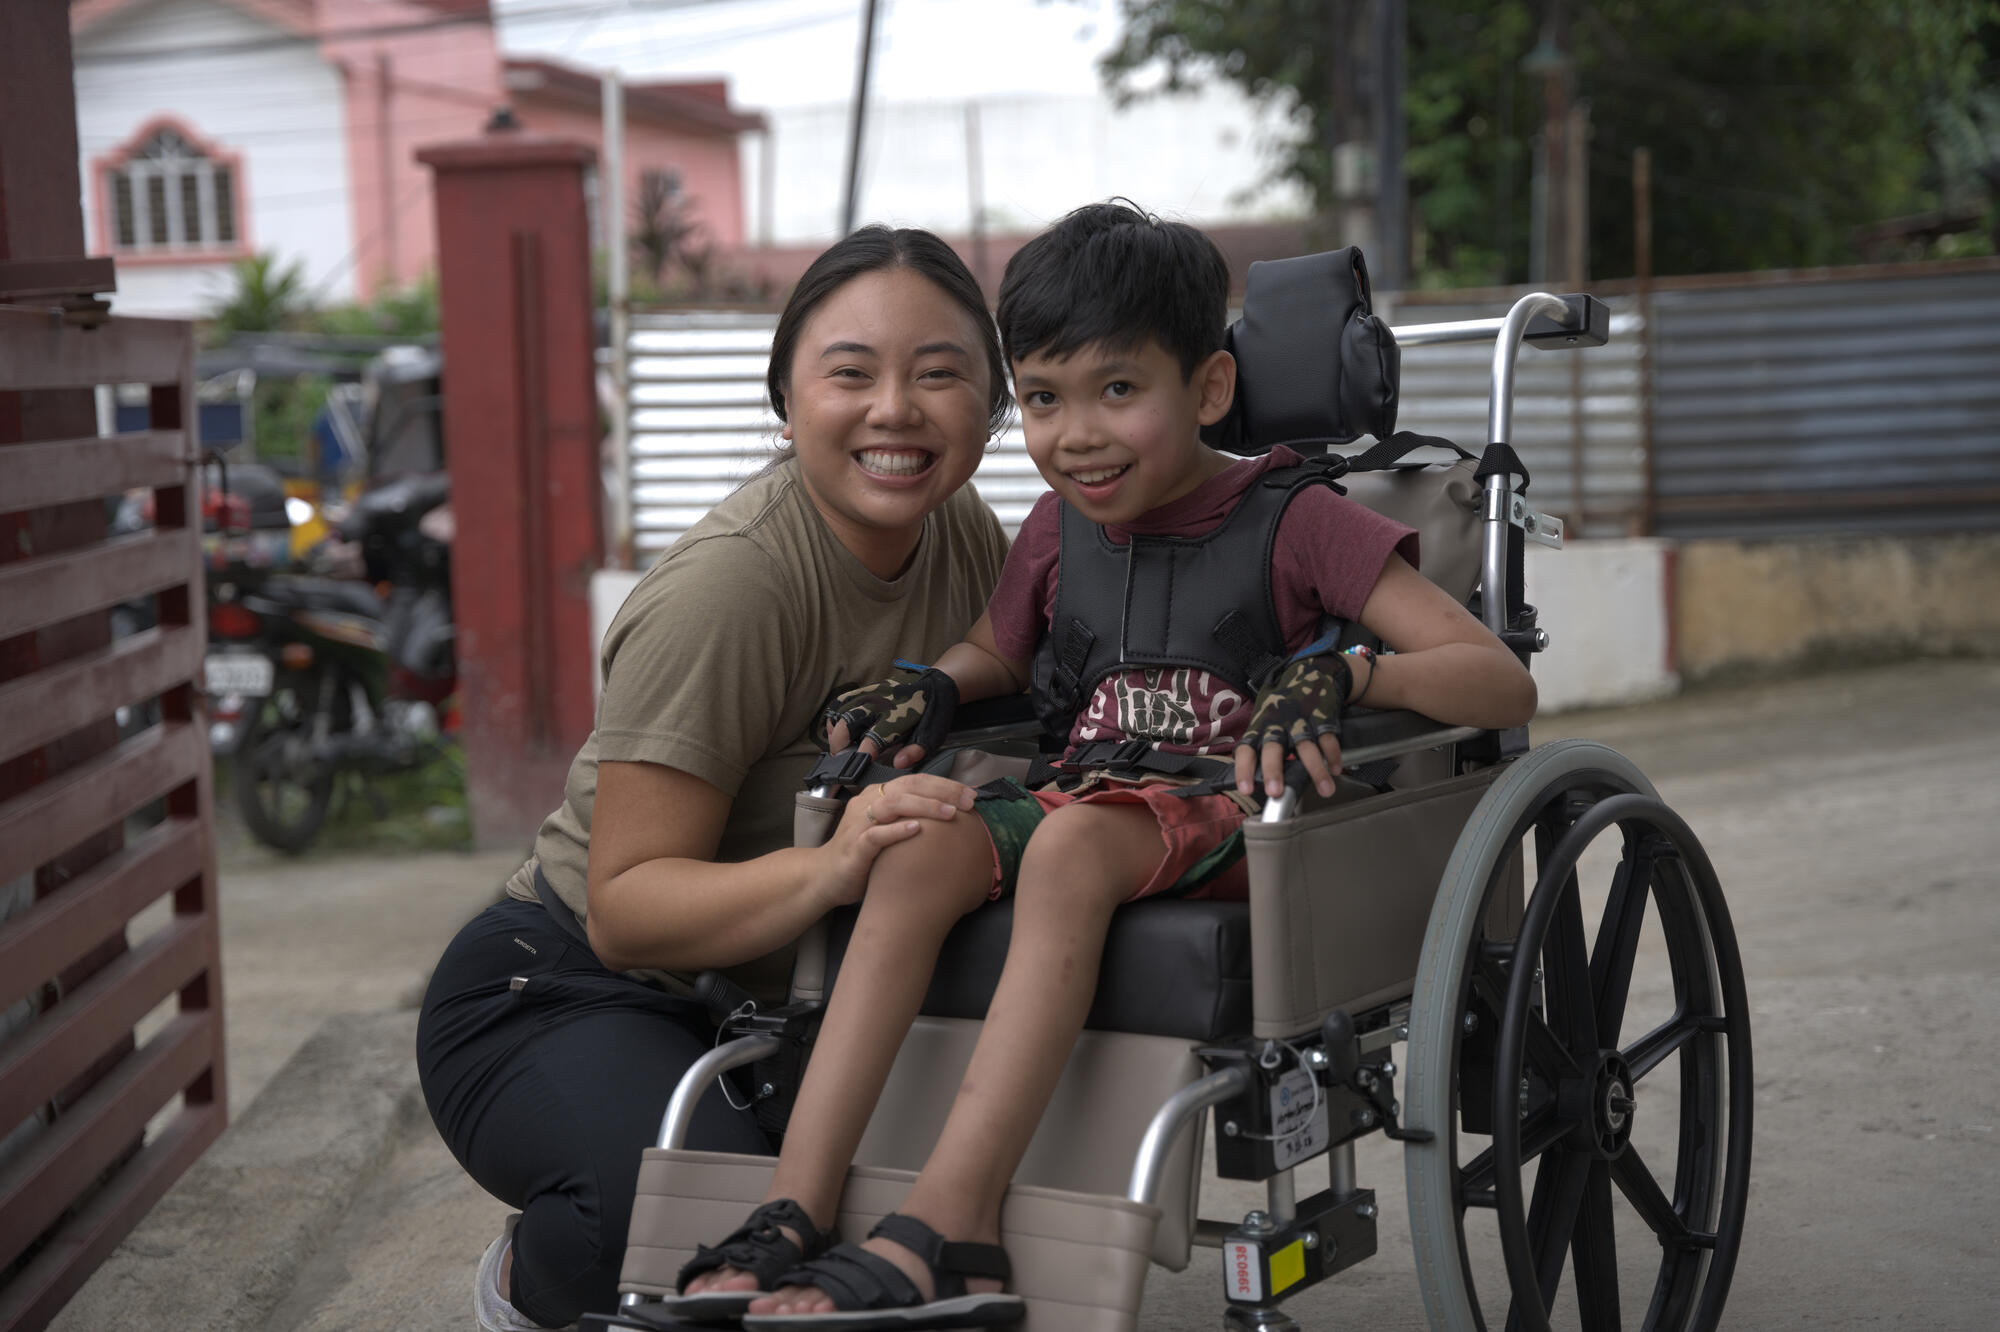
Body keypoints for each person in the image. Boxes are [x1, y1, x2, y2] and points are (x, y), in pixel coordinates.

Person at [671, 201, 1539, 1330]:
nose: (1074, 433)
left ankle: (951, 1222)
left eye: (1116, 392)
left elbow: (1495, 683)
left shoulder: (1300, 520)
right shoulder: (1054, 528)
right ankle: (790, 1207)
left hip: (1235, 810)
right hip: (1086, 794)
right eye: (1040, 397)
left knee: (1074, 842)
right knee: (908, 840)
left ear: (1208, 390)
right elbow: (1000, 651)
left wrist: (1352, 677)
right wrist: (934, 682)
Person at [414, 225, 1016, 1332]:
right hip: (558, 989)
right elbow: (625, 909)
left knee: (860, 1242)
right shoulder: (735, 586)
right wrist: (833, 867)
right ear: (785, 403)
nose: (896, 410)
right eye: (850, 373)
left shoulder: (965, 534)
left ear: (993, 405)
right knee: (681, 1236)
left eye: (940, 374)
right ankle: (531, 1285)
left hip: (771, 994)